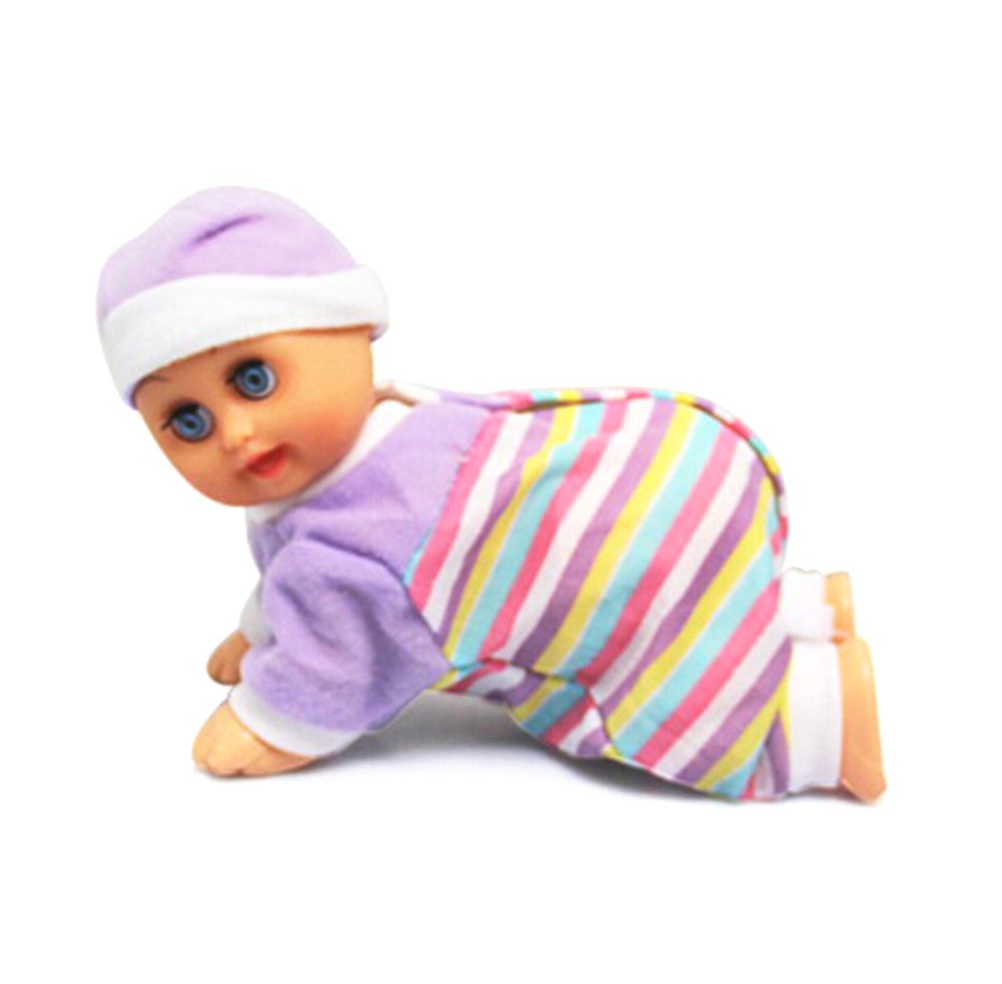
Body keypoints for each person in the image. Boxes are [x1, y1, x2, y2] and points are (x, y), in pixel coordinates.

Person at [97, 187, 886, 801]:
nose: (236, 434)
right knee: (666, 592)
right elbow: (300, 585)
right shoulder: (398, 423)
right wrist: (263, 628)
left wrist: (268, 718)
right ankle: (793, 605)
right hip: (663, 473)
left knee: (632, 688)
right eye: (187, 421)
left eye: (253, 379)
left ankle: (824, 709)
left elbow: (343, 665)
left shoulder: (361, 543)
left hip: (638, 537)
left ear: (350, 330)